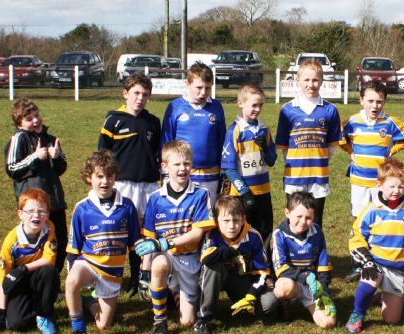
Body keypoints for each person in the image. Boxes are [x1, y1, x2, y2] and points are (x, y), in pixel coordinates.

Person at [135, 140, 216, 334]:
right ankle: (159, 322)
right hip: (168, 257)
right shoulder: (155, 198)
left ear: (192, 165)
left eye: (187, 163)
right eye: (177, 164)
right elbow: (150, 240)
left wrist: (164, 243)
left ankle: (175, 290)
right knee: (159, 264)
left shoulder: (201, 194)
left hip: (190, 259)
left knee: (187, 322)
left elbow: (197, 234)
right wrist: (144, 273)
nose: (182, 168)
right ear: (165, 167)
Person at [340, 81, 404, 282]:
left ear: (384, 102)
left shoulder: (390, 123)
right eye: (370, 101)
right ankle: (358, 263)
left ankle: (379, 259)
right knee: (359, 222)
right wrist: (350, 151)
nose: (375, 106)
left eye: (379, 102)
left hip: (381, 184)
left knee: (380, 220)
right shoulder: (352, 121)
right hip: (359, 182)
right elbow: (338, 136)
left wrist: (392, 150)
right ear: (361, 100)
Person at [64, 150, 141, 334]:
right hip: (88, 264)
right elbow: (73, 247)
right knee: (71, 282)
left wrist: (135, 274)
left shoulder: (127, 206)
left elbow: (134, 245)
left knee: (103, 325)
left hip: (112, 273)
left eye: (109, 176)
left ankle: (87, 300)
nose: (105, 181)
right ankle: (78, 330)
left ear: (115, 177)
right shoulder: (82, 208)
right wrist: (72, 274)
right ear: (89, 177)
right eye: (99, 176)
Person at [346, 158, 404, 334]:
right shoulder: (371, 210)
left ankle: (383, 296)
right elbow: (356, 237)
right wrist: (367, 261)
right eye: (391, 186)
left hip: (399, 269)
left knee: (391, 319)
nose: (396, 191)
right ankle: (357, 313)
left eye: (400, 186)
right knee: (370, 278)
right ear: (379, 185)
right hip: (375, 264)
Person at [98, 73, 161, 295]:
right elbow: (103, 155)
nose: (140, 98)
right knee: (118, 230)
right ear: (125, 93)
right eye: (136, 93)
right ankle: (110, 275)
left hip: (148, 185)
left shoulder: (153, 122)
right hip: (122, 184)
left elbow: (157, 154)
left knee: (143, 233)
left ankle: (138, 276)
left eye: (145, 94)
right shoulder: (113, 120)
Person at [193, 196, 278, 334]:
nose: (231, 225)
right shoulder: (212, 234)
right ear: (216, 220)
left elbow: (262, 272)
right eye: (226, 221)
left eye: (236, 220)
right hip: (216, 278)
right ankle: (203, 319)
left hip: (241, 280)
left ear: (243, 219)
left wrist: (252, 294)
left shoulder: (253, 236)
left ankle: (245, 304)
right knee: (212, 266)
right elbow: (206, 258)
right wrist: (232, 251)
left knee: (269, 303)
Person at [275, 59, 341, 227]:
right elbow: (284, 147)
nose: (311, 84)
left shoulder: (330, 110)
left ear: (322, 81)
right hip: (295, 176)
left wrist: (319, 160)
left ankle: (314, 245)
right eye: (306, 79)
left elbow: (332, 146)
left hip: (318, 175)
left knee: (315, 222)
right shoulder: (287, 110)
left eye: (315, 80)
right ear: (298, 79)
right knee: (294, 220)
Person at [5, 98, 67, 275]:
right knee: (35, 243)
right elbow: (12, 168)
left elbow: (62, 168)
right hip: (34, 205)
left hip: (54, 202)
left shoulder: (50, 139)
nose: (35, 120)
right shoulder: (19, 138)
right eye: (29, 118)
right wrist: (34, 157)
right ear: (19, 123)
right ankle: (31, 279)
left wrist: (57, 156)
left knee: (60, 242)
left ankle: (53, 278)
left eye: (37, 115)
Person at [0, 188, 60, 334]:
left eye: (41, 211)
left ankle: (44, 314)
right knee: (16, 324)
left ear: (48, 214)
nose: (36, 215)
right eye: (30, 211)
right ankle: (33, 303)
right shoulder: (11, 241)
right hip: (18, 282)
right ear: (20, 214)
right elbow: (4, 279)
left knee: (49, 271)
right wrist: (1, 311)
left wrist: (23, 268)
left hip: (37, 275)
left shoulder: (49, 228)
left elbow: (49, 260)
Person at [161, 62, 226, 205]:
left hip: (211, 174)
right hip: (182, 173)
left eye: (208, 88)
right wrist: (165, 173)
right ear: (187, 84)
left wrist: (224, 170)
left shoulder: (216, 106)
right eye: (199, 87)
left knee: (208, 214)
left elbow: (222, 140)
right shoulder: (174, 107)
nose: (203, 92)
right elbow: (166, 142)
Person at [271, 191, 337, 328]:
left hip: (313, 287)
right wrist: (305, 277)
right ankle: (285, 305)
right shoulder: (279, 234)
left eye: (308, 218)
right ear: (287, 213)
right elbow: (280, 269)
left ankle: (312, 303)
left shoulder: (317, 232)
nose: (303, 222)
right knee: (283, 288)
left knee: (328, 323)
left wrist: (324, 290)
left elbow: (323, 264)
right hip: (292, 283)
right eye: (299, 216)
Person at [221, 82, 276, 243]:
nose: (258, 109)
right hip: (242, 193)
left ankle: (263, 258)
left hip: (263, 190)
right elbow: (229, 167)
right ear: (240, 103)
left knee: (265, 229)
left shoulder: (264, 129)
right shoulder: (234, 131)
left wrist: (266, 148)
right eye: (254, 105)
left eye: (261, 105)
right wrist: (244, 192)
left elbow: (271, 160)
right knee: (242, 230)